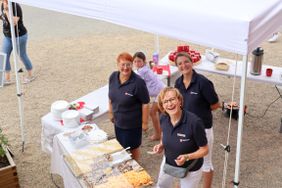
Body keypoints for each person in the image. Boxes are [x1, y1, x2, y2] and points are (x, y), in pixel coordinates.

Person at [174, 52, 220, 188]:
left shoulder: (203, 82)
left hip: (203, 128)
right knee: (187, 158)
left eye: (186, 61)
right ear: (177, 67)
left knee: (206, 162)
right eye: (180, 63)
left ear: (192, 62)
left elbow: (215, 104)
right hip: (186, 128)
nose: (184, 65)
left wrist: (199, 114)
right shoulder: (178, 82)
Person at [153, 87, 208, 188]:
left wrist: (187, 157)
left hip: (191, 167)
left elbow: (204, 150)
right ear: (162, 106)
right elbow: (164, 134)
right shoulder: (163, 118)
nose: (170, 104)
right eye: (165, 101)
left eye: (172, 99)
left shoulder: (194, 122)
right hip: (168, 162)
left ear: (180, 101)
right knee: (161, 186)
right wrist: (161, 144)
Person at [108, 52, 150, 161]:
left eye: (128, 65)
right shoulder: (113, 77)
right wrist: (111, 112)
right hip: (118, 121)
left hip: (132, 124)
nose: (125, 68)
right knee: (121, 144)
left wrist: (144, 123)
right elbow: (110, 96)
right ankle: (126, 162)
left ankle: (135, 165)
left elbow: (145, 103)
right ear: (118, 65)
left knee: (133, 147)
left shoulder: (138, 82)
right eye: (123, 65)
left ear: (132, 65)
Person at [0, 0, 34, 85]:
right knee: (4, 56)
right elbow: (3, 18)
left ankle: (30, 75)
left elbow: (13, 22)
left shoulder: (15, 6)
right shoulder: (2, 5)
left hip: (20, 36)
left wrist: (7, 10)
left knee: (22, 55)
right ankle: (7, 79)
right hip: (8, 36)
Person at [133, 51, 165, 141]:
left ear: (144, 61)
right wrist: (151, 64)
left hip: (160, 92)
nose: (137, 63)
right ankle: (162, 131)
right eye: (135, 61)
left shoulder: (142, 71)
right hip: (159, 91)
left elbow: (136, 81)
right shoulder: (144, 68)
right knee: (160, 112)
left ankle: (158, 134)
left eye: (139, 61)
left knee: (152, 112)